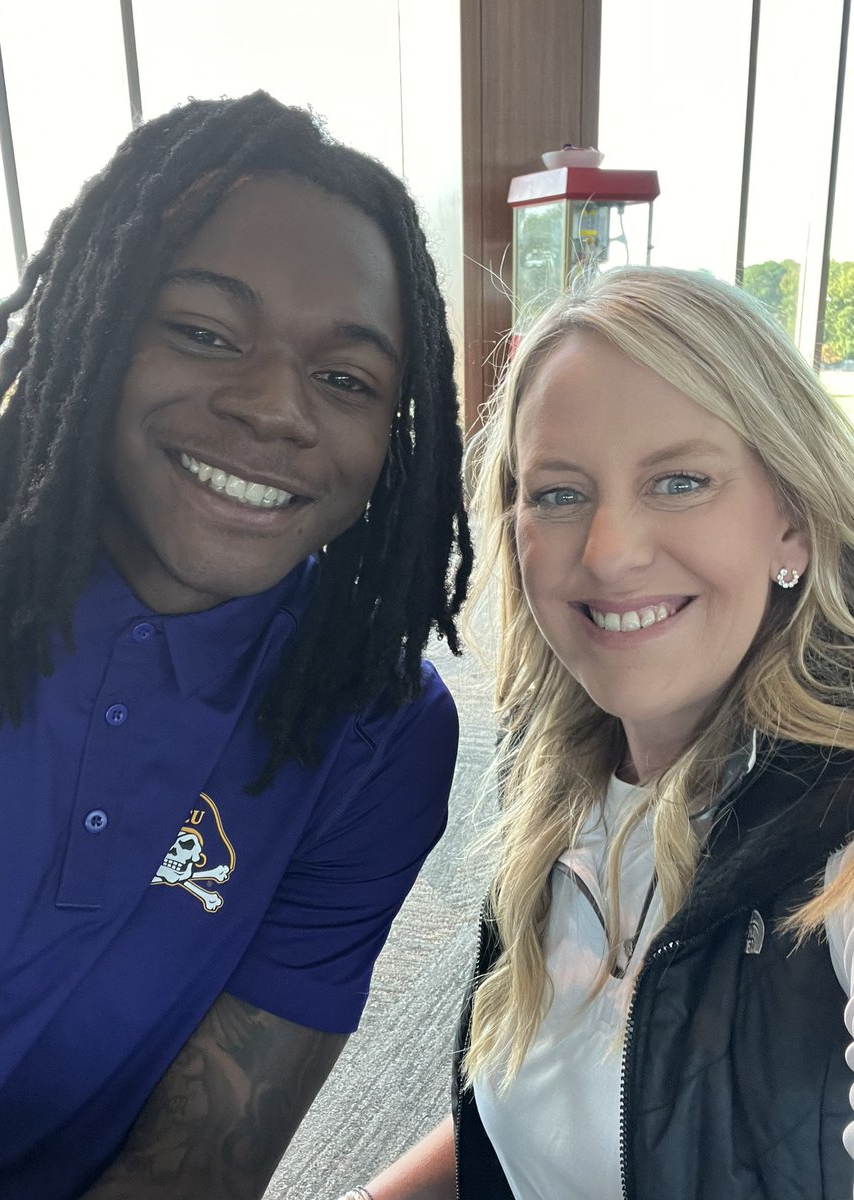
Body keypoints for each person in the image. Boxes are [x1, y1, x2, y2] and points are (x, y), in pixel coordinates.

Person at [0, 90, 471, 1199]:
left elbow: (194, 1168)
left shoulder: (373, 732)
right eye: (203, 331)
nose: (276, 407)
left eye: (346, 378)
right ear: (88, 333)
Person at [343, 266, 854, 1200]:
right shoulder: (557, 772)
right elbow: (529, 1121)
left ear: (793, 521)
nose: (610, 551)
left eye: (680, 480)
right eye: (560, 494)